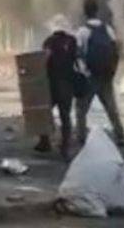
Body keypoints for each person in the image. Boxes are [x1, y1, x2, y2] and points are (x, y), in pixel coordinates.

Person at [76, 0, 124, 146]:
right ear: (97, 11)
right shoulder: (107, 29)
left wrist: (82, 72)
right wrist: (112, 71)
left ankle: (81, 138)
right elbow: (116, 51)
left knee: (81, 109)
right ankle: (120, 136)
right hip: (106, 76)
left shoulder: (82, 31)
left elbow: (78, 54)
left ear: (84, 12)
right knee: (111, 108)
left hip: (90, 76)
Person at [35, 14, 78, 160]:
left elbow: (44, 59)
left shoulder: (49, 41)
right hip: (68, 84)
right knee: (65, 116)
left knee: (44, 112)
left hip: (52, 84)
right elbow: (77, 59)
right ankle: (65, 148)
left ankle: (44, 142)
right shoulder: (72, 41)